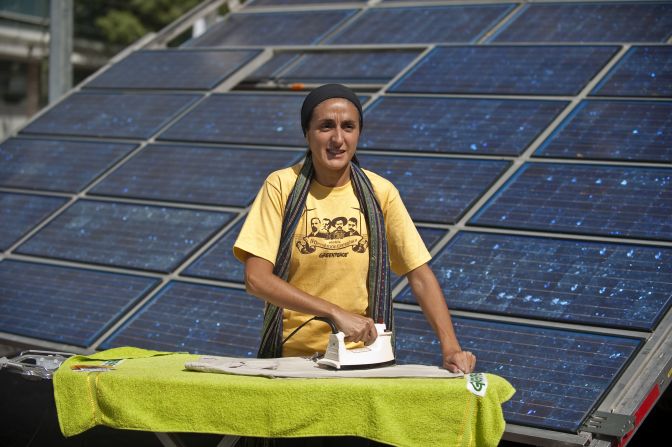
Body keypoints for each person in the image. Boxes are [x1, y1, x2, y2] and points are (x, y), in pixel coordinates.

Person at [233, 84, 475, 374]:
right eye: (325, 127)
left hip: (363, 359)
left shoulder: (380, 193)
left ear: (359, 132)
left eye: (348, 127)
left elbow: (419, 274)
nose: (338, 138)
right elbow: (256, 279)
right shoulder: (281, 187)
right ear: (307, 133)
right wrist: (334, 313)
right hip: (292, 360)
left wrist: (450, 348)